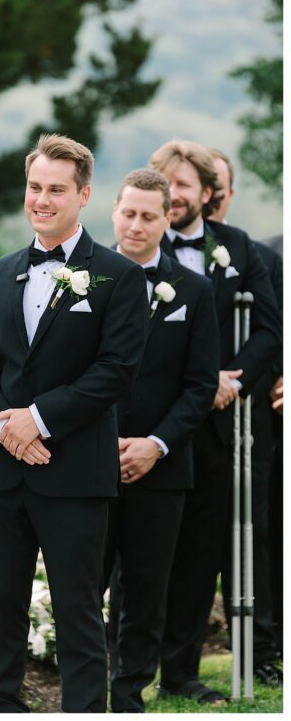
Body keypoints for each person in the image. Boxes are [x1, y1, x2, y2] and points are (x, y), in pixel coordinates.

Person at [0, 133, 148, 713]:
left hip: (73, 473)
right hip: (1, 474)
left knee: (79, 613)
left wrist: (38, 420)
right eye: (34, 187)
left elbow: (115, 372)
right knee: (1, 609)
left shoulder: (119, 276)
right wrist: (3, 426)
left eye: (56, 190)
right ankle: (1, 708)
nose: (41, 199)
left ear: (84, 194)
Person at [152, 140, 280, 704]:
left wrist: (230, 379)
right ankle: (121, 667)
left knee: (202, 553)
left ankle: (182, 674)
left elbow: (269, 333)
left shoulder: (239, 249)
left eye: (183, 185)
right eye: (165, 183)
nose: (172, 195)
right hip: (150, 427)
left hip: (217, 429)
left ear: (208, 194)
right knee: (141, 553)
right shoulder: (135, 245)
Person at [102, 169, 219, 712]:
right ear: (113, 211)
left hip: (162, 466)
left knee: (148, 589)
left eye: (149, 216)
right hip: (88, 462)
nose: (136, 225)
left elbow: (200, 385)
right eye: (129, 213)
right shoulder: (82, 277)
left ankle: (129, 695)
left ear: (167, 218)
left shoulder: (193, 290)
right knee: (83, 587)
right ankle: (87, 690)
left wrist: (156, 444)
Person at [210, 148, 283, 687]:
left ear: (230, 193)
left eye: (218, 185)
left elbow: (273, 332)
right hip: (173, 421)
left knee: (256, 536)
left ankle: (261, 650)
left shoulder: (262, 255)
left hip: (250, 418)